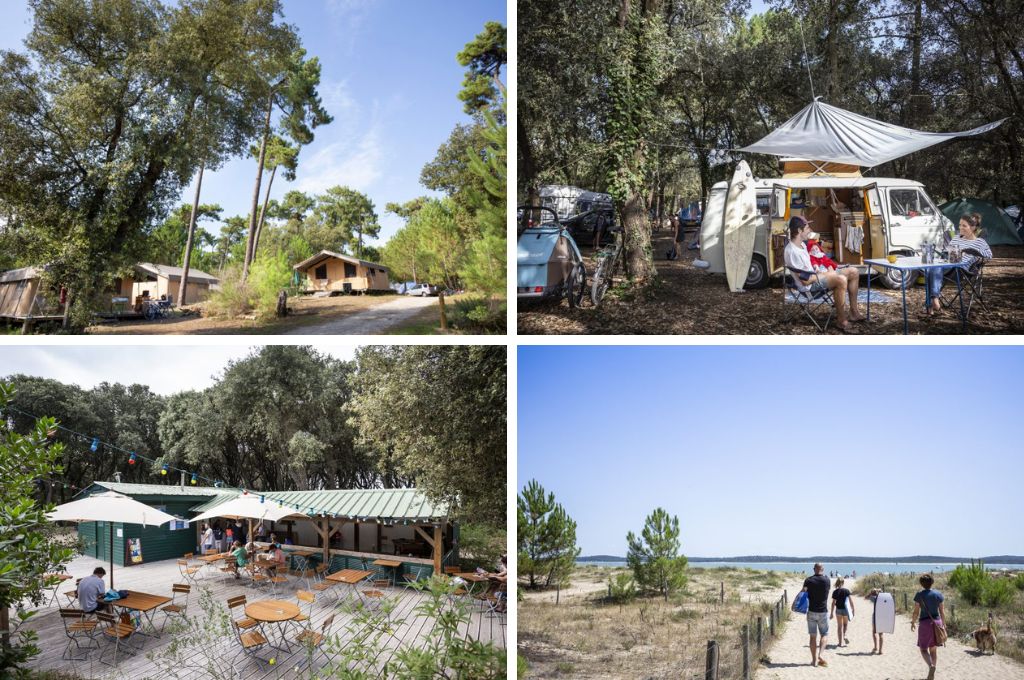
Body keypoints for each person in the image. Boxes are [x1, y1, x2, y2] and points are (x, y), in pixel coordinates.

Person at [784, 216, 863, 330]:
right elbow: (806, 281)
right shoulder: (792, 251)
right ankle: (841, 321)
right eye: (807, 228)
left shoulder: (802, 245)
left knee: (854, 271)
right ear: (799, 231)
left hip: (816, 276)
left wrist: (819, 268)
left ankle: (853, 312)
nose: (810, 230)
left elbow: (808, 268)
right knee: (840, 280)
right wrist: (827, 274)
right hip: (810, 288)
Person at [927, 212, 992, 314]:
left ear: (973, 228)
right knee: (930, 268)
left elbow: (988, 255)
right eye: (960, 225)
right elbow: (949, 252)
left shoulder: (979, 242)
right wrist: (947, 253)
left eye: (964, 225)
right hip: (949, 266)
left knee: (934, 268)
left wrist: (976, 255)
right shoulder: (957, 238)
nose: (960, 228)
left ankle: (932, 302)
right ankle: (934, 300)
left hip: (962, 271)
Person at [911, 574, 946, 680]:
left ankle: (931, 666)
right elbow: (942, 612)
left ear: (921, 583)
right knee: (933, 650)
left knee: (923, 649)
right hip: (937, 623)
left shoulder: (919, 595)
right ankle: (932, 672)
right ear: (932, 582)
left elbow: (916, 612)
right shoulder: (938, 594)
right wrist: (944, 625)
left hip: (925, 623)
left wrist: (912, 622)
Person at [796, 563, 831, 667]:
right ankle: (820, 654)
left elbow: (803, 592)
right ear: (823, 569)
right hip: (823, 611)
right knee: (824, 634)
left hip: (811, 611)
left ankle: (814, 660)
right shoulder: (827, 580)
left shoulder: (808, 580)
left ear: (814, 569)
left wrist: (795, 602)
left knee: (812, 637)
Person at [830, 577, 854, 646]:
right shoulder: (846, 591)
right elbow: (850, 601)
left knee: (839, 626)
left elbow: (833, 603)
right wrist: (853, 609)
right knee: (845, 624)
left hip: (838, 610)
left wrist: (831, 613)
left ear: (837, 583)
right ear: (843, 583)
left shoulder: (835, 592)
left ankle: (840, 643)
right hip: (846, 610)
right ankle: (845, 635)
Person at [867, 588, 885, 654]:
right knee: (881, 634)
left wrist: (872, 592)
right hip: (883, 617)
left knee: (874, 632)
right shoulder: (885, 600)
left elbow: (866, 597)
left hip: (875, 616)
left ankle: (875, 647)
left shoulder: (875, 599)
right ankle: (880, 650)